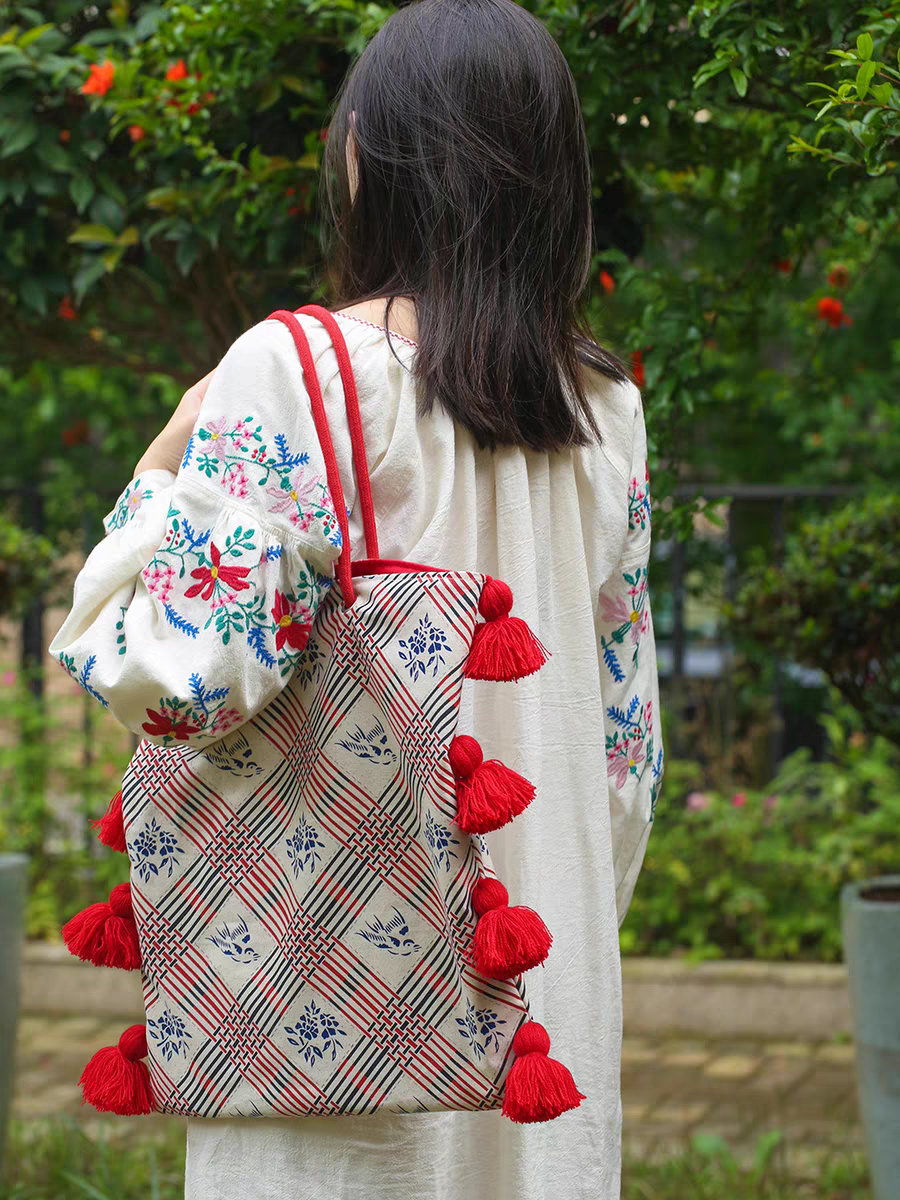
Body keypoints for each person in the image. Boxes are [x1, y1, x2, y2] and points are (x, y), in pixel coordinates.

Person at [50, 0, 663, 1195]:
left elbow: (171, 678)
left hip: (326, 1010)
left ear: (366, 158)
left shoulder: (297, 369)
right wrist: (560, 912)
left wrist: (166, 459)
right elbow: (622, 756)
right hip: (542, 1000)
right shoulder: (606, 411)